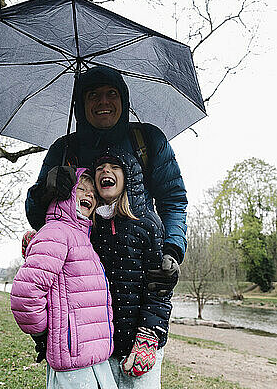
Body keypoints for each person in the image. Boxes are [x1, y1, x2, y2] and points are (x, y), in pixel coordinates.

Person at [25, 65, 187, 295]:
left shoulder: (148, 140)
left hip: (137, 276)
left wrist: (172, 251)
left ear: (124, 99)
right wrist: (44, 191)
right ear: (80, 106)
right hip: (76, 281)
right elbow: (37, 217)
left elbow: (173, 200)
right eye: (93, 95)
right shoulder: (63, 150)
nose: (103, 102)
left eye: (112, 93)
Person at [10, 170, 117, 389]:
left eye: (93, 193)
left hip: (94, 358)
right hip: (73, 360)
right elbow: (26, 293)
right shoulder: (57, 232)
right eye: (81, 189)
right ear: (66, 194)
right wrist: (43, 332)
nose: (89, 195)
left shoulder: (83, 238)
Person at [91, 147, 172, 389]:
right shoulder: (88, 226)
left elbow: (159, 288)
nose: (106, 171)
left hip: (140, 343)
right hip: (101, 345)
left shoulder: (148, 223)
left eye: (115, 167)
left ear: (129, 177)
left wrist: (150, 332)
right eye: (99, 168)